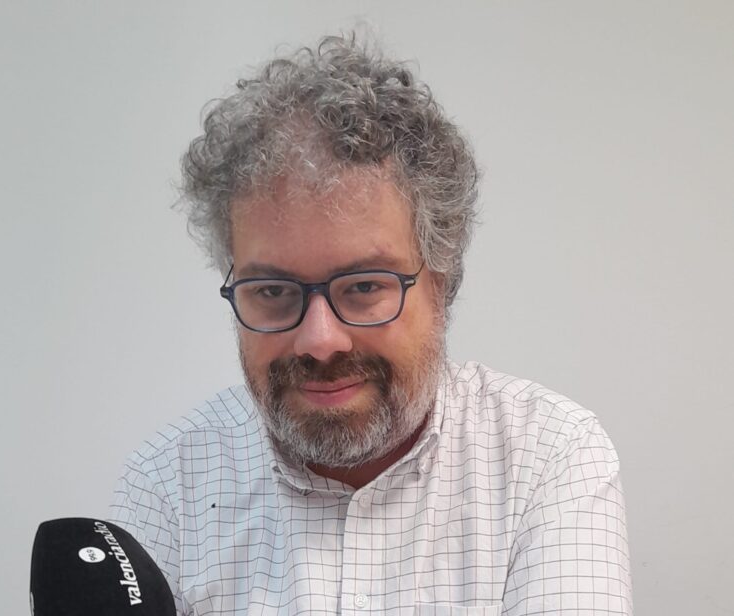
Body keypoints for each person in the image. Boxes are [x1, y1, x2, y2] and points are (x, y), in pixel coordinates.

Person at [110, 33, 632, 615]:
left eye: (362, 287)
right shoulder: (169, 484)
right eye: (273, 292)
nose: (319, 340)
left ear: (440, 281)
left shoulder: (547, 456)